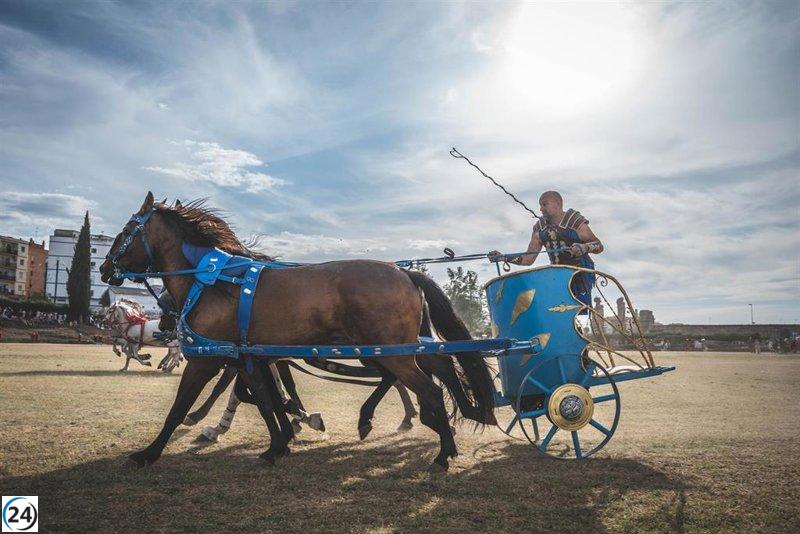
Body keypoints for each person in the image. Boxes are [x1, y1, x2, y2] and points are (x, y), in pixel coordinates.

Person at [489, 190, 604, 306]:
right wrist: (504, 257)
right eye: (540, 205)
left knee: (576, 309)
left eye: (544, 204)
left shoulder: (574, 222)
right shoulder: (540, 229)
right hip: (556, 277)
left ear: (558, 203)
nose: (541, 209)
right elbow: (527, 259)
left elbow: (599, 245)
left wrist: (584, 247)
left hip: (580, 276)